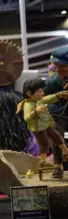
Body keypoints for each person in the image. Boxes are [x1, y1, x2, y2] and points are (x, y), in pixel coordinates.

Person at [17, 77, 68, 166]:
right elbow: (27, 118)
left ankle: (65, 150)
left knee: (56, 136)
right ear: (29, 93)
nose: (43, 93)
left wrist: (58, 95)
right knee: (44, 144)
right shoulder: (28, 104)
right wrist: (36, 111)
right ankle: (43, 161)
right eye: (40, 91)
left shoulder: (38, 100)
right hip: (38, 128)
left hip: (46, 124)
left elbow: (48, 98)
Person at [44, 46, 68, 178]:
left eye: (62, 66)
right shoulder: (54, 81)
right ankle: (58, 165)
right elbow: (40, 97)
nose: (57, 69)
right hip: (59, 115)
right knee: (59, 138)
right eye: (56, 65)